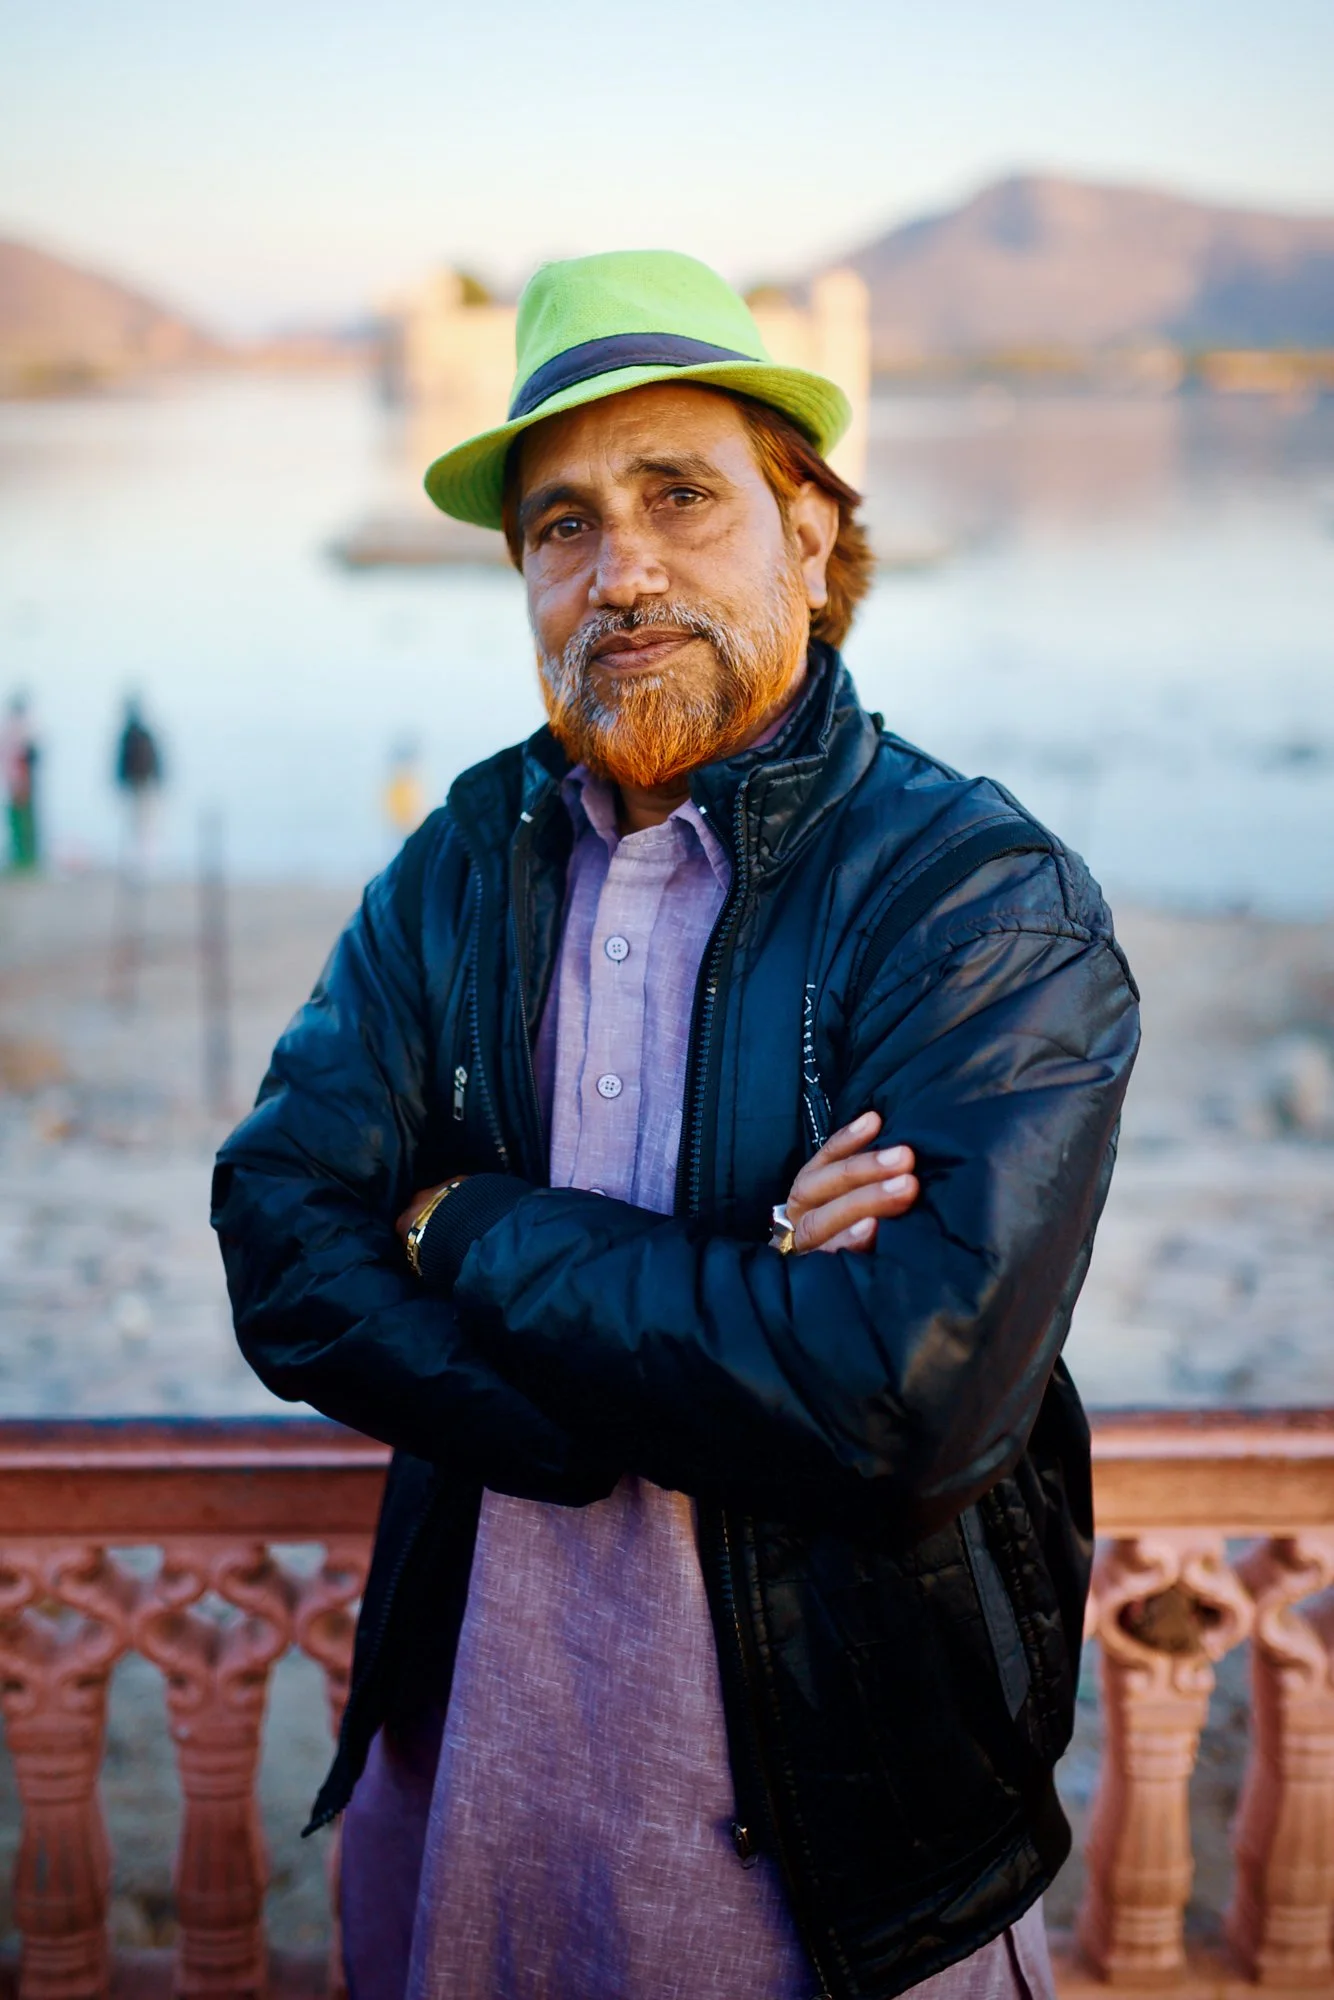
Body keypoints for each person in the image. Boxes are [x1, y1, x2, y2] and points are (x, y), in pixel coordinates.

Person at [213, 252, 1140, 2000]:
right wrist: (642, 1378)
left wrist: (464, 1228)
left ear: (804, 529)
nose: (615, 566)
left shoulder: (975, 901)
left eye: (674, 496)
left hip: (844, 1847)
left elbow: (901, 1398)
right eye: (559, 525)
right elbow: (276, 1228)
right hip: (470, 1781)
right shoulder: (459, 863)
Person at [114, 696, 163, 859]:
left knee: (141, 827)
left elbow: (122, 764)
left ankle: (141, 863)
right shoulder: (137, 735)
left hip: (141, 786)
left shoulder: (131, 736)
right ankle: (140, 862)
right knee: (141, 828)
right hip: (140, 786)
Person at [2, 694, 39, 871]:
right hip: (18, 781)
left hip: (19, 781)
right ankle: (23, 859)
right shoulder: (18, 729)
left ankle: (26, 859)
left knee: (22, 822)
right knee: (20, 822)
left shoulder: (16, 728)